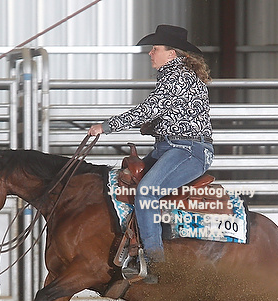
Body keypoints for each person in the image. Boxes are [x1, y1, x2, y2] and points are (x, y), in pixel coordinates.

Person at [88, 24, 213, 267]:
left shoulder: (178, 77)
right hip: (171, 149)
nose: (150, 53)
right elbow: (169, 114)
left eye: (155, 48)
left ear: (171, 53)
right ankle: (133, 244)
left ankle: (155, 261)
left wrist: (107, 126)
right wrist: (154, 126)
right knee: (123, 181)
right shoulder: (174, 76)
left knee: (146, 191)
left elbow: (148, 109)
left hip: (188, 151)